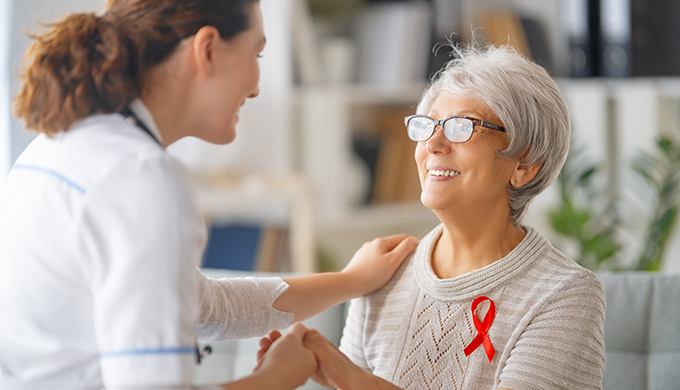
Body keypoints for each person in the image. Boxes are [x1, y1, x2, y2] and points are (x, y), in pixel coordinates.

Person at [0, 0, 418, 389]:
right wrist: (275, 377)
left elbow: (209, 309)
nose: (256, 88)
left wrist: (352, 281)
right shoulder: (140, 178)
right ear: (208, 49)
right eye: (257, 55)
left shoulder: (62, 145)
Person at [259, 43, 606, 390]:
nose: (433, 144)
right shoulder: (382, 272)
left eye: (462, 127)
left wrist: (351, 378)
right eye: (427, 125)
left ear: (524, 165)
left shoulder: (565, 295)